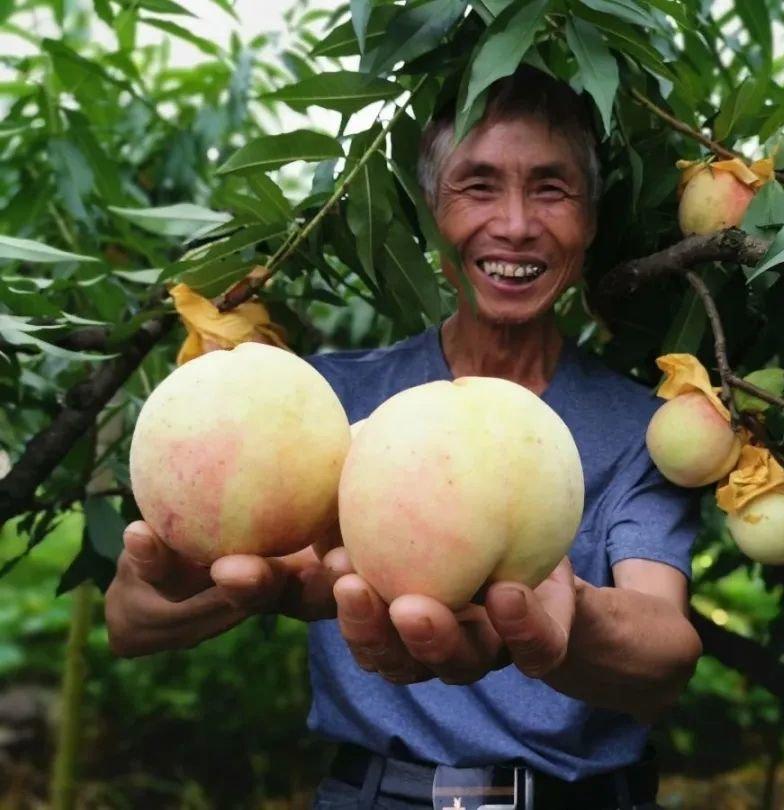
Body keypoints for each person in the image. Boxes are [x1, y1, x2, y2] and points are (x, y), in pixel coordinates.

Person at [105, 67, 704, 810]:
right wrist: (262, 571)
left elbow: (665, 652)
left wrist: (566, 612)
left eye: (551, 189)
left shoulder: (647, 426)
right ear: (433, 210)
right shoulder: (323, 408)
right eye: (478, 186)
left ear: (590, 219)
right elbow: (130, 620)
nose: (515, 224)